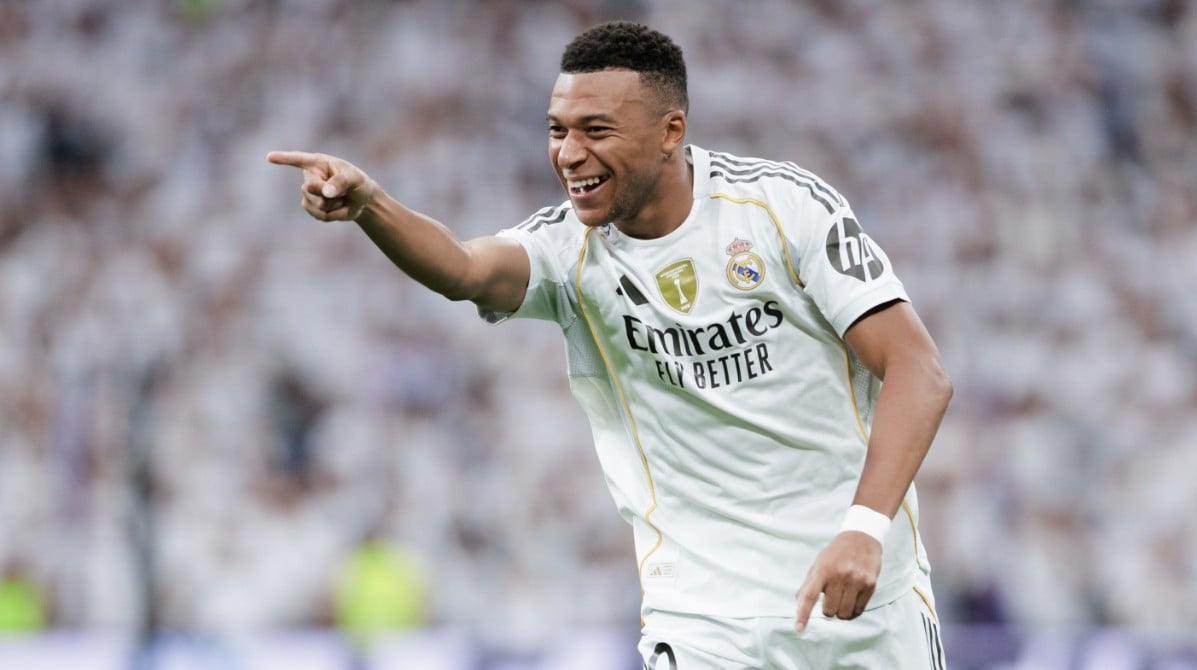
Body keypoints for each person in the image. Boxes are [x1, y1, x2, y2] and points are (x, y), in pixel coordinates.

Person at [269, 21, 952, 670]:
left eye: (595, 130)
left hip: (862, 595)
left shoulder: (783, 209)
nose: (569, 153)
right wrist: (371, 206)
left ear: (670, 132)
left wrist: (865, 527)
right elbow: (465, 269)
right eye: (557, 130)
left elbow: (917, 369)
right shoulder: (565, 249)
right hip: (704, 622)